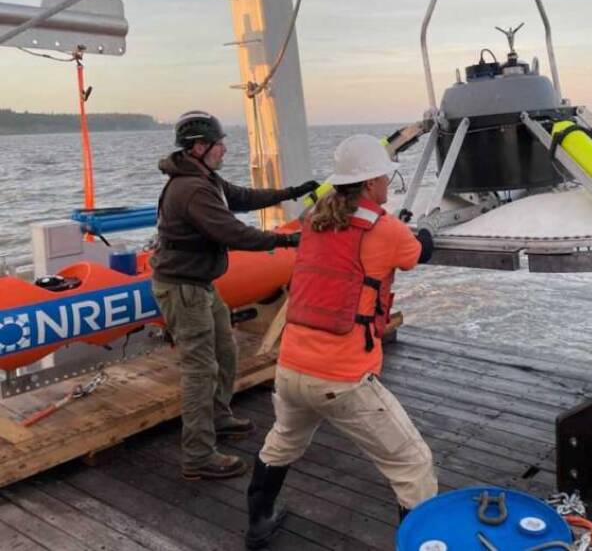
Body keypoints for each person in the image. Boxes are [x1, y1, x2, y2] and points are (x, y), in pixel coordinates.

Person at [244, 134, 436, 550]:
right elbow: (417, 253)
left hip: (291, 368)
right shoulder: (385, 229)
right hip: (341, 380)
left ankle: (258, 524)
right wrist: (424, 234)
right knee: (413, 465)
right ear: (369, 185)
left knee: (283, 442)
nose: (387, 182)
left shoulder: (313, 220)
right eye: (385, 176)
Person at [151, 110, 318, 481]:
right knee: (200, 369)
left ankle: (218, 416)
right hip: (183, 289)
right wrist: (286, 240)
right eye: (219, 142)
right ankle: (197, 455)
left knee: (225, 350)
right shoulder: (192, 188)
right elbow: (233, 233)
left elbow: (240, 198)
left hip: (199, 285)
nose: (224, 147)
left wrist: (290, 193)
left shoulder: (202, 177)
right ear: (199, 147)